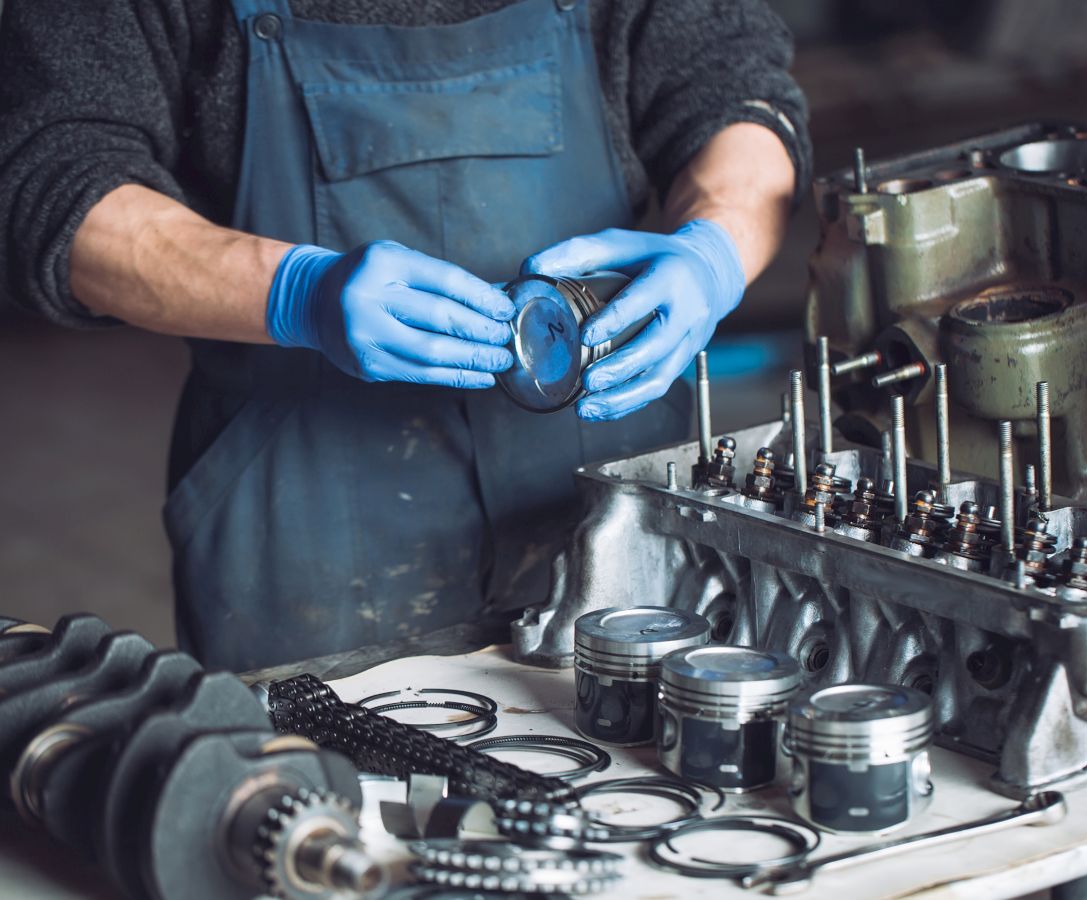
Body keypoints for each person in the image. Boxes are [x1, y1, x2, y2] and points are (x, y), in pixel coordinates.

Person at [0, 0, 810, 670]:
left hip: (607, 481)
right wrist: (295, 293)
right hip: (306, 513)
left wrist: (713, 249)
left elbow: (732, 87)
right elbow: (53, 178)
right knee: (325, 816)